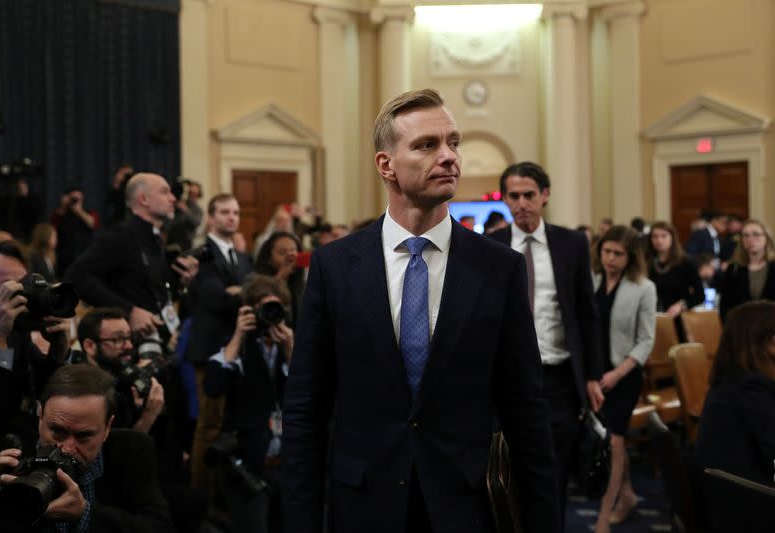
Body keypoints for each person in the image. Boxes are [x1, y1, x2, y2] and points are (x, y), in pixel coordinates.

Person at [281, 89, 558, 533]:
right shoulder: (335, 267)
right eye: (427, 145)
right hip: (362, 504)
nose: (448, 156)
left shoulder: (498, 267)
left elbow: (525, 409)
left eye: (453, 142)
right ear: (385, 164)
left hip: (464, 505)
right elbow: (305, 408)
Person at [490, 161, 603, 527]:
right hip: (506, 380)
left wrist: (592, 376)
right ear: (505, 199)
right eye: (513, 196)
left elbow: (587, 313)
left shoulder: (571, 244)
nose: (521, 203)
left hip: (558, 378)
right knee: (508, 469)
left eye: (529, 195)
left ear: (545, 195)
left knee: (553, 473)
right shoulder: (490, 246)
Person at [0, 364, 174, 533]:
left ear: (107, 427)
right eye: (57, 431)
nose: (68, 449)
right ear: (40, 416)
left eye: (84, 436)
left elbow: (159, 527)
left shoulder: (132, 448)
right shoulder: (15, 451)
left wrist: (85, 514)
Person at [0, 241, 72, 516]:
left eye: (19, 288)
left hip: (18, 459)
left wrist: (59, 349)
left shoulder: (17, 334)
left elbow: (45, 395)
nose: (12, 298)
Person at [205, 275, 294, 533]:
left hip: (288, 466)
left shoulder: (291, 344)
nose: (270, 314)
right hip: (248, 469)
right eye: (263, 308)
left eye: (275, 308)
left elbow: (314, 390)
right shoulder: (237, 346)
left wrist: (290, 348)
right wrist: (239, 334)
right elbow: (214, 387)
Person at [64, 173, 198, 340]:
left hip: (158, 341)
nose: (173, 199)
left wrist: (180, 283)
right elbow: (76, 277)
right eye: (164, 192)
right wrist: (129, 311)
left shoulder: (155, 238)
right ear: (144, 199)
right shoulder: (121, 235)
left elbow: (147, 290)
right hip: (128, 343)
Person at [591, 225, 656, 532]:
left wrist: (616, 374)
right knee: (605, 440)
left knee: (614, 442)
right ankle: (627, 494)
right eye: (606, 252)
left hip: (624, 373)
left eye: (618, 254)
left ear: (630, 257)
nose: (611, 259)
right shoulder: (592, 279)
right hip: (593, 373)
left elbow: (645, 340)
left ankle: (604, 515)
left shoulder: (644, 287)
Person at [187, 193, 253, 489]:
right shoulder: (200, 254)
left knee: (231, 425)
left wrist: (235, 291)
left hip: (239, 347)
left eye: (235, 212)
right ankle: (201, 499)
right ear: (211, 217)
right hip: (210, 346)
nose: (232, 217)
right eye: (225, 212)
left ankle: (224, 496)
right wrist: (239, 292)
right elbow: (214, 298)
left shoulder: (241, 257)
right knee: (209, 426)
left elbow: (248, 293)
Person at [694, 301, 775, 532]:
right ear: (767, 342)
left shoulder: (732, 380)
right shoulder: (751, 388)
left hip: (722, 496)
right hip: (747, 503)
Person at [646, 221, 704, 339]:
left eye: (663, 236)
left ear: (672, 237)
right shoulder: (647, 262)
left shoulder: (685, 262)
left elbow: (700, 295)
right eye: (655, 236)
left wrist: (681, 305)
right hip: (651, 319)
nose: (659, 240)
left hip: (677, 319)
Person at [718, 219, 775, 322]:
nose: (750, 239)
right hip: (742, 330)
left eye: (756, 234)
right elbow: (725, 307)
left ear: (766, 238)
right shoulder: (733, 269)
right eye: (746, 235)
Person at [253, 231, 304, 329]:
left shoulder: (302, 284)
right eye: (282, 252)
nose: (291, 257)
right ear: (269, 259)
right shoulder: (257, 281)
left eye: (294, 251)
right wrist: (282, 274)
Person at [51, 187, 99, 278]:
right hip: (64, 257)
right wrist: (63, 206)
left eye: (77, 199)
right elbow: (53, 224)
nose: (75, 201)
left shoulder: (89, 212)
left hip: (84, 255)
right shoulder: (62, 213)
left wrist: (78, 211)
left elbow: (92, 223)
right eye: (73, 199)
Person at [166, 180, 204, 251]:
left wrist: (186, 210)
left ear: (198, 195)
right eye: (190, 193)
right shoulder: (179, 204)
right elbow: (170, 221)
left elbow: (195, 223)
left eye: (195, 193)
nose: (192, 196)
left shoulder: (198, 210)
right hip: (171, 239)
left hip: (186, 243)